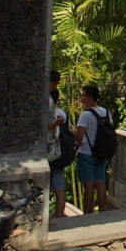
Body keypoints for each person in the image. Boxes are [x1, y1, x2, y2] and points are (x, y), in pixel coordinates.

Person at [75, 84, 110, 214]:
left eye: (83, 95)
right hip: (101, 152)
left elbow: (80, 135)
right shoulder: (106, 112)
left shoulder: (85, 115)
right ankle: (102, 211)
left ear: (90, 97)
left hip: (86, 153)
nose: (81, 98)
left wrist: (76, 144)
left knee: (88, 185)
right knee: (100, 183)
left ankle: (88, 214)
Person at [49, 88, 69, 219]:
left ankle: (44, 218)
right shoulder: (62, 113)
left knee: (42, 189)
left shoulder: (47, 113)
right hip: (59, 155)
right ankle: (60, 216)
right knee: (60, 189)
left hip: (48, 153)